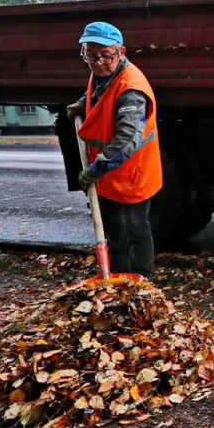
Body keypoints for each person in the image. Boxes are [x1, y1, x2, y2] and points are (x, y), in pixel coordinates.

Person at [66, 21, 162, 278]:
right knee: (114, 232)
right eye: (90, 55)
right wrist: (81, 103)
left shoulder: (131, 89)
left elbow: (127, 140)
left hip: (132, 175)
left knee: (135, 232)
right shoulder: (102, 70)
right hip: (108, 175)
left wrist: (96, 169)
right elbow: (99, 92)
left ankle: (142, 282)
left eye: (105, 56)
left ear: (121, 52)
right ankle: (118, 279)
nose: (97, 62)